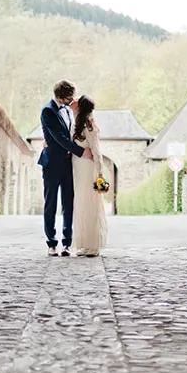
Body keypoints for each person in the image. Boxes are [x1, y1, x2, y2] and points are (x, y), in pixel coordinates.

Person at [38, 80, 93, 256]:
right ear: (61, 96)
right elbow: (59, 137)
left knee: (68, 204)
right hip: (52, 165)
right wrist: (80, 151)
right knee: (51, 204)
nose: (72, 99)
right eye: (69, 96)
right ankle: (52, 243)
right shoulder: (48, 110)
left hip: (69, 165)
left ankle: (67, 243)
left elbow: (70, 133)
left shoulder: (68, 110)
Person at [69, 95, 108, 257]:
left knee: (91, 206)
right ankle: (84, 244)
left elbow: (96, 149)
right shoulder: (78, 121)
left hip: (89, 169)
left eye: (77, 99)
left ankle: (93, 246)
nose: (74, 100)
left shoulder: (89, 123)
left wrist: (99, 172)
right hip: (79, 169)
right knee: (81, 205)